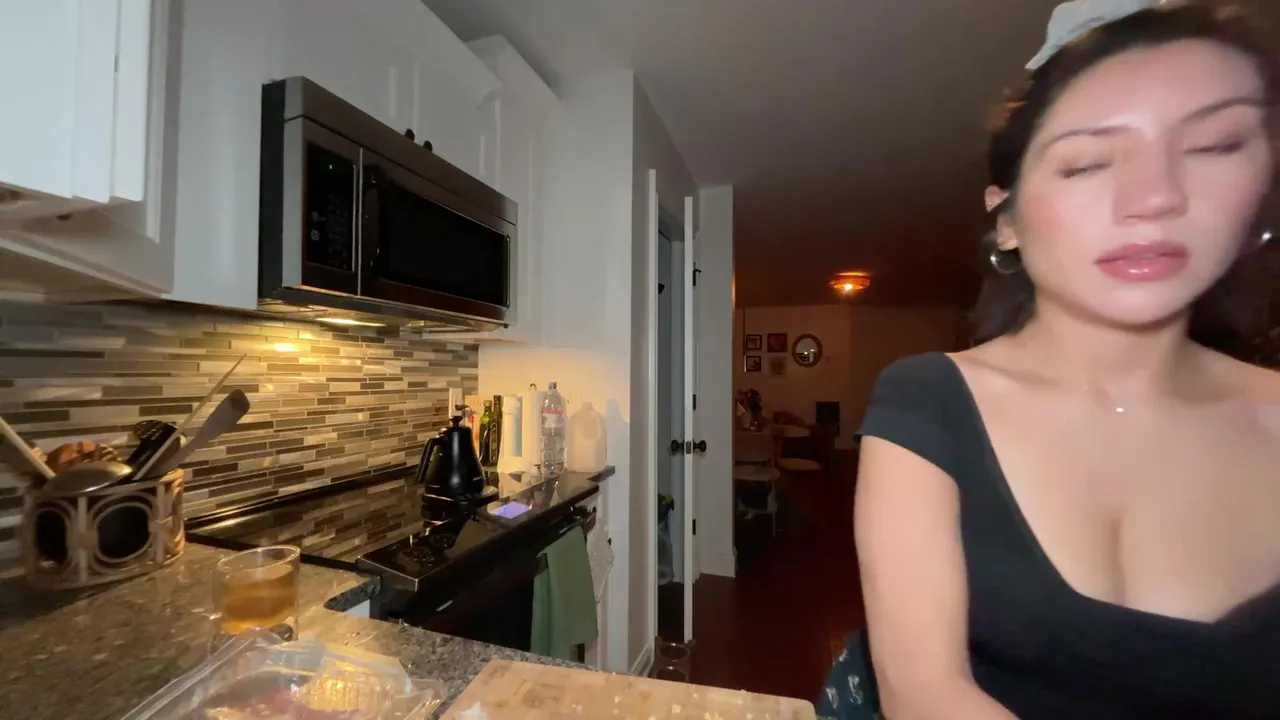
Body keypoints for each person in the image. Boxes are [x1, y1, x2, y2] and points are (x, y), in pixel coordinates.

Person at [817, 1, 1280, 718]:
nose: (1156, 197)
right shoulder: (928, 399)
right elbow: (924, 690)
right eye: (1087, 163)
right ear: (1006, 219)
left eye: (1214, 146)